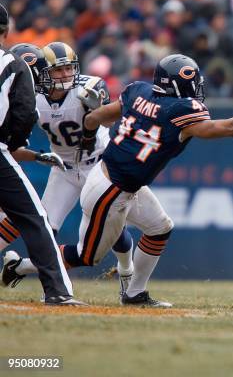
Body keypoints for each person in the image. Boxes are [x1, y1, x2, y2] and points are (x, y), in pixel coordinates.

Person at [70, 54, 233, 307]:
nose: (197, 88)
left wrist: (88, 141)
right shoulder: (180, 110)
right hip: (112, 188)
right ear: (176, 84)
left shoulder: (137, 90)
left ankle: (135, 294)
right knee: (86, 256)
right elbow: (228, 127)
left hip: (113, 177)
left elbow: (94, 118)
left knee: (159, 229)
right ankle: (32, 268)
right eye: (192, 82)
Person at [0, 42, 134, 297]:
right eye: (57, 70)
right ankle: (48, 285)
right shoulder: (33, 95)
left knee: (111, 222)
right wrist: (39, 157)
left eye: (68, 69)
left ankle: (127, 273)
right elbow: (12, 144)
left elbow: (113, 118)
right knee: (44, 229)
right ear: (43, 71)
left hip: (99, 166)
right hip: (63, 169)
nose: (64, 75)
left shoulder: (88, 88)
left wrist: (99, 109)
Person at [0, 4, 78, 305]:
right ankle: (58, 292)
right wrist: (13, 143)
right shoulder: (12, 64)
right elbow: (24, 115)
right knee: (35, 220)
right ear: (6, 30)